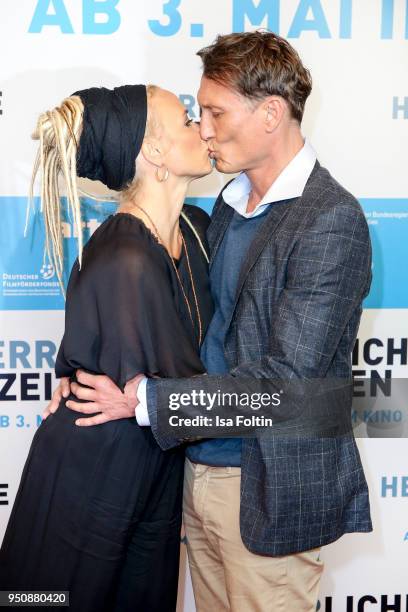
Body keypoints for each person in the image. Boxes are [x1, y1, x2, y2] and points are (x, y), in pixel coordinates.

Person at [49, 32, 373, 612]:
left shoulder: (331, 220)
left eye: (216, 112)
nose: (203, 127)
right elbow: (139, 273)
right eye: (197, 112)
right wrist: (74, 368)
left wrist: (147, 403)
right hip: (198, 476)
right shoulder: (225, 203)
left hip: (265, 491)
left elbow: (282, 388)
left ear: (271, 113)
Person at [0, 84, 214, 611]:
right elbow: (187, 397)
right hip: (94, 481)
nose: (203, 128)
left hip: (147, 476)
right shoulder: (126, 257)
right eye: (187, 120)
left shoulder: (198, 229)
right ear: (155, 152)